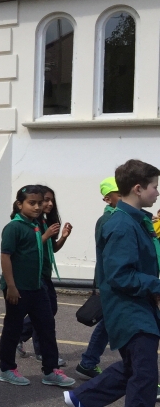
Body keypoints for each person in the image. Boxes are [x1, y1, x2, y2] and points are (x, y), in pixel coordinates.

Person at [66, 159, 160, 407]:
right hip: (130, 311)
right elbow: (120, 276)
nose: (157, 192)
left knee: (134, 369)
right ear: (138, 188)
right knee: (145, 376)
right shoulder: (122, 225)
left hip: (138, 308)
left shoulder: (135, 220)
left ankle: (82, 398)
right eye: (154, 186)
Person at [0, 185, 75, 388]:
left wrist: (62, 237)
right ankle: (6, 368)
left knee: (47, 327)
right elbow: (5, 257)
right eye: (32, 203)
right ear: (19, 204)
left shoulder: (36, 226)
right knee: (12, 328)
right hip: (18, 288)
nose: (38, 207)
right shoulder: (14, 227)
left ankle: (51, 371)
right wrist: (11, 286)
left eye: (40, 203)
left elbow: (40, 250)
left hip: (36, 286)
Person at [18, 186, 72, 366]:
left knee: (48, 311)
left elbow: (52, 249)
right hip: (35, 275)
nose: (48, 204)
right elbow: (29, 247)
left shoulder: (45, 222)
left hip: (45, 274)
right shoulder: (31, 223)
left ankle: (20, 335)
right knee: (45, 314)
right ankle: (42, 352)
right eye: (44, 200)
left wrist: (63, 236)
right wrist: (46, 235)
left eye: (51, 200)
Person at [75, 177, 120, 380]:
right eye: (120, 193)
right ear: (107, 198)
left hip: (111, 281)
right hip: (112, 281)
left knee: (110, 323)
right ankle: (88, 362)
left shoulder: (116, 217)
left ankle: (88, 362)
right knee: (112, 322)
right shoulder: (109, 220)